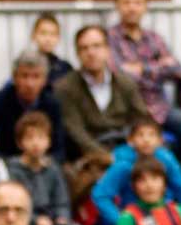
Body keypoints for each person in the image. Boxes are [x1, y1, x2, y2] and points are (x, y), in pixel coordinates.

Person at [107, 0, 181, 165]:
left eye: (137, 2)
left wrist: (141, 68)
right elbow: (121, 74)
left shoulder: (154, 38)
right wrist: (158, 67)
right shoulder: (109, 38)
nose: (132, 8)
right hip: (128, 112)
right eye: (126, 2)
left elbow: (177, 69)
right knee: (154, 147)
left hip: (160, 107)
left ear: (145, 6)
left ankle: (180, 176)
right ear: (117, 5)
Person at [92, 117, 181, 225]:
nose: (146, 140)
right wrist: (121, 221)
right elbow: (100, 195)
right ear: (130, 140)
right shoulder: (123, 165)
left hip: (164, 214)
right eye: (140, 135)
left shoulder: (166, 160)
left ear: (160, 140)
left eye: (151, 135)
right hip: (135, 219)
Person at [55, 22, 151, 158]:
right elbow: (76, 132)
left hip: (127, 149)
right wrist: (106, 157)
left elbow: (141, 118)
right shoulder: (65, 88)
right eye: (84, 48)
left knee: (163, 158)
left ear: (107, 50)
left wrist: (137, 144)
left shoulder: (125, 83)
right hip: (88, 157)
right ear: (77, 54)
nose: (91, 53)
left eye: (97, 46)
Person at [0, 47, 69, 162]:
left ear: (45, 80)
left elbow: (59, 150)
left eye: (36, 76)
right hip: (7, 167)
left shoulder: (53, 105)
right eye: (24, 76)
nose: (30, 83)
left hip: (43, 167)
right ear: (14, 77)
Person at [7, 111, 71, 225]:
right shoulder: (12, 170)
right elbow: (12, 205)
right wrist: (34, 220)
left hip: (51, 223)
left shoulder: (53, 169)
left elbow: (62, 202)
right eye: (30, 138)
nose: (36, 143)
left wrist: (62, 217)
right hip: (23, 224)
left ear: (49, 142)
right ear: (20, 143)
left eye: (41, 137)